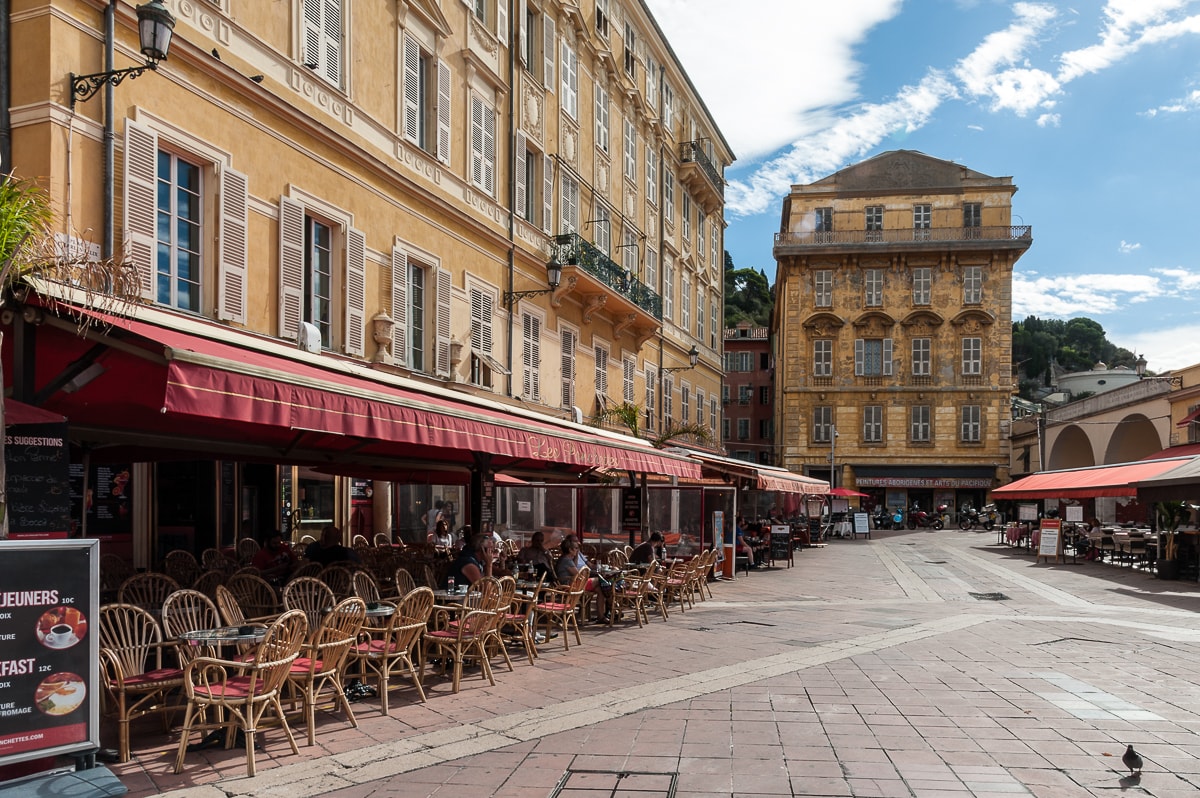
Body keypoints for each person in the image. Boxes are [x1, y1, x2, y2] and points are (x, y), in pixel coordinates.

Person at [555, 535, 609, 623]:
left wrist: (576, 557)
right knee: (600, 581)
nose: (578, 550)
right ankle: (610, 603)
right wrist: (587, 573)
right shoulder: (566, 560)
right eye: (576, 548)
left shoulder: (568, 559)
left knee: (600, 589)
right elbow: (578, 575)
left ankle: (601, 616)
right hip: (570, 585)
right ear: (570, 550)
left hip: (574, 583)